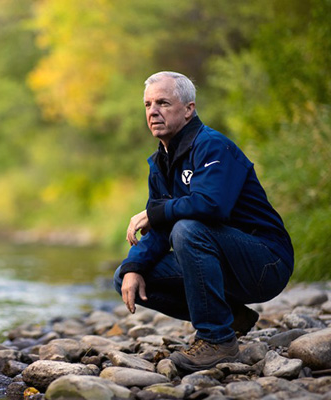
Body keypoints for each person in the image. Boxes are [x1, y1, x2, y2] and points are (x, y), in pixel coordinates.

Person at [113, 71, 294, 372]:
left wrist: (157, 212)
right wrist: (133, 267)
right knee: (127, 275)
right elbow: (160, 231)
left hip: (265, 263)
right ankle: (233, 318)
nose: (153, 111)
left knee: (188, 229)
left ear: (188, 109)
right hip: (223, 262)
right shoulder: (160, 162)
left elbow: (213, 206)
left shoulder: (212, 146)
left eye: (163, 103)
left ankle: (216, 340)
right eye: (147, 105)